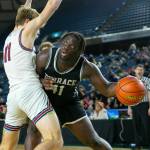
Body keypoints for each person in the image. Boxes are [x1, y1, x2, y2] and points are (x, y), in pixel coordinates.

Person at [25, 33, 117, 150]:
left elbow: (107, 89)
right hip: (46, 103)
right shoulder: (45, 56)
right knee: (33, 131)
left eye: (72, 46)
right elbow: (29, 79)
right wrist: (41, 81)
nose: (66, 47)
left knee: (94, 141)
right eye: (65, 43)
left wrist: (126, 87)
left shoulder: (87, 67)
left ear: (80, 51)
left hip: (69, 105)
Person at [0, 0, 63, 150]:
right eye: (38, 28)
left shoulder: (10, 36)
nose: (38, 32)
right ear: (28, 22)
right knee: (54, 141)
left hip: (13, 97)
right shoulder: (27, 31)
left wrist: (28, 1)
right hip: (30, 91)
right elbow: (52, 5)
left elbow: (21, 14)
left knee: (6, 145)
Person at [128, 64, 150, 150]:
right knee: (136, 126)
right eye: (138, 69)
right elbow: (128, 95)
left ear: (143, 71)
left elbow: (149, 94)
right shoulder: (131, 81)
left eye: (141, 70)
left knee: (147, 125)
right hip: (134, 105)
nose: (140, 71)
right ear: (135, 70)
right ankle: (138, 145)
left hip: (144, 105)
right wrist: (129, 107)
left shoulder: (147, 80)